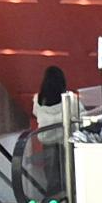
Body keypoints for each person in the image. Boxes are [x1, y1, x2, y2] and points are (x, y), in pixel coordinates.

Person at [34, 65, 70, 196]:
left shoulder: (38, 99)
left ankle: (52, 198)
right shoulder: (69, 98)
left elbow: (35, 113)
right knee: (67, 170)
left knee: (51, 172)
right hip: (64, 139)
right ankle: (68, 197)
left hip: (47, 139)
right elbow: (79, 113)